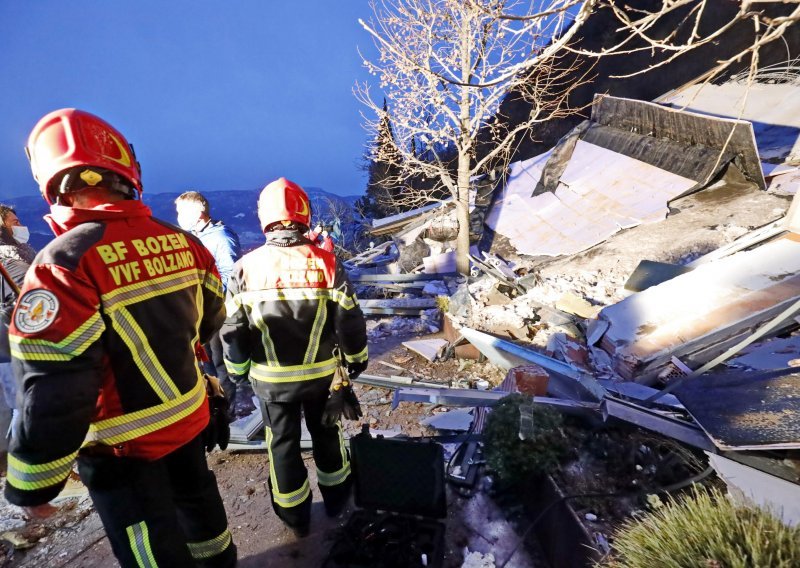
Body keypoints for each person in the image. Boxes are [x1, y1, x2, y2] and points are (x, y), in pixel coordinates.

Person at [5, 108, 236, 567]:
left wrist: (33, 481)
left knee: (152, 550)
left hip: (123, 452)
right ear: (126, 171)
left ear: (52, 184)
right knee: (203, 518)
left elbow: (55, 387)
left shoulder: (62, 265)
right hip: (190, 418)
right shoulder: (182, 241)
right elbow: (211, 320)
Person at [221, 178, 368, 537]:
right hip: (322, 378)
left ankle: (294, 518)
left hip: (272, 383)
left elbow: (232, 328)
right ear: (304, 216)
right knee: (327, 436)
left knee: (282, 445)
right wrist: (356, 358)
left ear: (265, 219)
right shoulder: (328, 263)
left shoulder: (244, 268)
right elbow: (349, 317)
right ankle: (336, 501)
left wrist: (238, 371)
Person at [175, 191, 243, 418]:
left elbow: (230, 275)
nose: (178, 217)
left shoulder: (220, 238)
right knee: (206, 363)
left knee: (220, 362)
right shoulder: (194, 237)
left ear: (198, 212)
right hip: (199, 311)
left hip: (216, 311)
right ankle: (212, 406)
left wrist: (211, 301)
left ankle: (227, 410)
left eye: (182, 212)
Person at [0, 205, 37, 442]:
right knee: (23, 402)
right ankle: (20, 457)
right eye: (14, 222)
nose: (20, 225)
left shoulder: (18, 253)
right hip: (10, 335)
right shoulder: (8, 259)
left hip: (16, 331)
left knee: (25, 401)